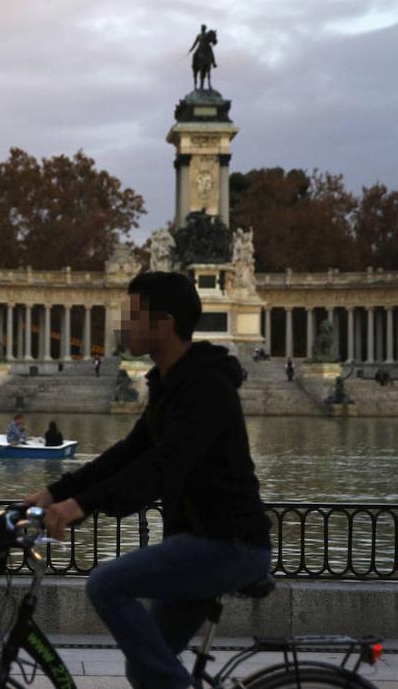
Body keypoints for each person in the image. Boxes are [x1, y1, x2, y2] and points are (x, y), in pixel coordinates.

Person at [26, 271, 272, 689]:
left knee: (106, 584)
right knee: (146, 665)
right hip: (199, 539)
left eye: (134, 315)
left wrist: (78, 506)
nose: (123, 325)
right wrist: (55, 491)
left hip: (228, 542)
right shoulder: (171, 383)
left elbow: (163, 465)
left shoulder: (206, 386)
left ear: (165, 324)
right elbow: (130, 452)